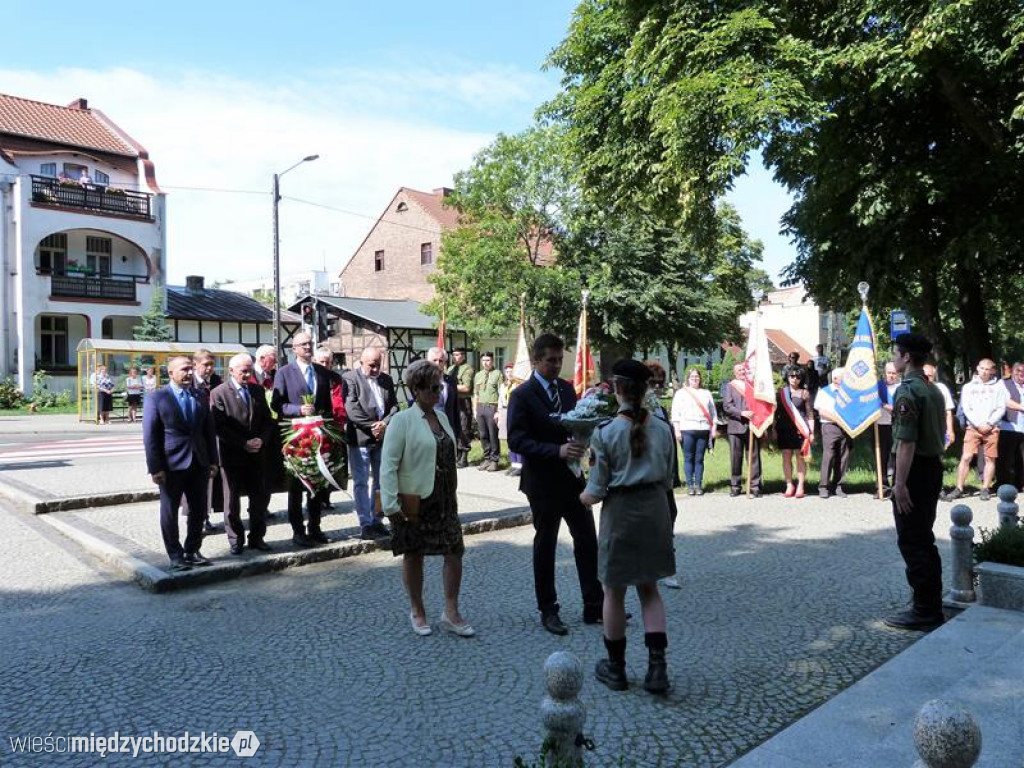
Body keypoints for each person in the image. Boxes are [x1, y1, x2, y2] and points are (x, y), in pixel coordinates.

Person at [580, 359, 675, 694]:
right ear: (646, 389)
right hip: (654, 510)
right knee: (650, 589)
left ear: (616, 389)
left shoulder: (604, 432)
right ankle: (657, 668)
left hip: (620, 513)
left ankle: (616, 668)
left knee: (614, 590)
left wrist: (579, 497)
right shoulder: (663, 429)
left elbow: (595, 490)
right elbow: (668, 478)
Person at [507, 333, 603, 635]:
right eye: (550, 360)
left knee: (587, 540)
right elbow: (517, 439)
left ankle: (595, 605)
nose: (556, 366)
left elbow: (575, 424)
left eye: (559, 360)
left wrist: (584, 443)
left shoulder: (566, 388)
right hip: (542, 482)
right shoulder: (522, 395)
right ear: (536, 360)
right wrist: (556, 451)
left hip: (572, 479)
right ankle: (548, 609)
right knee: (546, 545)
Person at [380, 359, 474, 638]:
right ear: (416, 389)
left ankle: (451, 611)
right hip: (415, 500)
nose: (438, 393)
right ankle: (417, 609)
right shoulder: (401, 421)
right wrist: (390, 505)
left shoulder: (442, 417)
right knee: (414, 555)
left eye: (440, 387)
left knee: (455, 551)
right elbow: (388, 465)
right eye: (433, 388)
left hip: (445, 499)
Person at [886, 333, 947, 631]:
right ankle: (929, 602)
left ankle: (925, 610)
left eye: (896, 353)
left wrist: (899, 484)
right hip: (932, 467)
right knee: (924, 537)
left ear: (907, 357)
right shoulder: (931, 389)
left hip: (915, 471)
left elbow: (906, 442)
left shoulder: (908, 391)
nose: (894, 358)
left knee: (912, 540)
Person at [143, 356, 219, 570]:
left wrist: (213, 461)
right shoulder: (157, 397)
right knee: (169, 511)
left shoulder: (199, 395)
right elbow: (150, 436)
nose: (188, 373)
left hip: (199, 462)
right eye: (184, 369)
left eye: (190, 369)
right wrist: (155, 467)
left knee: (199, 509)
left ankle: (192, 549)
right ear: (171, 373)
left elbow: (208, 431)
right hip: (171, 465)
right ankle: (175, 555)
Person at [272, 332, 336, 547]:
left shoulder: (321, 372)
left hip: (318, 437)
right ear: (294, 349)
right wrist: (298, 409)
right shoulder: (284, 373)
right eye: (303, 345)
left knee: (317, 485)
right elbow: (277, 405)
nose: (308, 347)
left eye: (310, 344)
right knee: (297, 486)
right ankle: (298, 531)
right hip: (296, 438)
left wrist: (327, 430)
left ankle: (315, 527)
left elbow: (327, 405)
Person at [210, 353, 273, 554]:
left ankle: (257, 537)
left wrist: (261, 439)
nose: (247, 375)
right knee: (231, 502)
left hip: (256, 454)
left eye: (250, 371)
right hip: (233, 455)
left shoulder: (257, 389)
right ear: (231, 371)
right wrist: (243, 443)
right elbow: (220, 427)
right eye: (243, 371)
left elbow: (267, 420)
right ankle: (235, 539)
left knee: (259, 499)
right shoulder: (218, 393)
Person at [344, 346, 400, 541]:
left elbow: (394, 406)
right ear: (361, 363)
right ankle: (365, 523)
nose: (376, 370)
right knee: (360, 482)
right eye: (371, 366)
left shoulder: (386, 380)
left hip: (382, 437)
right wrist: (373, 426)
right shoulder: (350, 378)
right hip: (360, 438)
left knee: (381, 481)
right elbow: (351, 409)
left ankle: (377, 519)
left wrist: (384, 424)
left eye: (378, 365)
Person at [944, 359, 1005, 501]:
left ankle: (985, 488)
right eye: (982, 368)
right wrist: (978, 424)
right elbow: (966, 407)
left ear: (992, 370)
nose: (984, 371)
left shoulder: (998, 387)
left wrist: (989, 423)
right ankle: (959, 487)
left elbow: (1001, 407)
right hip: (973, 427)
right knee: (966, 457)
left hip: (992, 427)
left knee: (990, 458)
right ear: (977, 368)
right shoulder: (968, 387)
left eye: (987, 369)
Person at [671, 367, 716, 496]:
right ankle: (690, 485)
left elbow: (713, 414)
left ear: (700, 378)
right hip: (687, 429)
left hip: (703, 429)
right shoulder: (681, 393)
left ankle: (699, 484)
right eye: (692, 377)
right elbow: (675, 413)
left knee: (699, 459)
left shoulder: (706, 393)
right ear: (688, 379)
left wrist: (713, 429)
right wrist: (677, 430)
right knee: (688, 458)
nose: (695, 379)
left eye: (697, 377)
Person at [314, 346, 348, 508]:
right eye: (321, 362)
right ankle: (315, 499)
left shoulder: (337, 379)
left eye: (327, 362)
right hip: (315, 427)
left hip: (334, 426)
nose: (324, 365)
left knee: (331, 463)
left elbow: (341, 402)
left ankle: (326, 498)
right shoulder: (311, 376)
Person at [722, 363, 762, 497]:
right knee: (735, 458)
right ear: (734, 372)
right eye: (739, 370)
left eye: (743, 369)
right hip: (736, 426)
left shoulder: (753, 385)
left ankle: (755, 486)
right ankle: (735, 486)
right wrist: (742, 413)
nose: (742, 371)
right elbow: (727, 406)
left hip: (752, 426)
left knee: (754, 458)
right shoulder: (730, 386)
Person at [775, 365, 814, 498]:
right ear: (787, 377)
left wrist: (811, 432)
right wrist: (774, 429)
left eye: (798, 376)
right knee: (786, 456)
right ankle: (789, 485)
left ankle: (800, 486)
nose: (795, 379)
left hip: (800, 429)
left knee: (800, 458)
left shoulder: (804, 393)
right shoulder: (780, 393)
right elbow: (776, 413)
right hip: (784, 429)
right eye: (792, 376)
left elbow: (809, 414)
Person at [815, 368, 853, 498]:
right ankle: (823, 487)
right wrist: (838, 419)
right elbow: (822, 412)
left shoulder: (848, 393)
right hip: (830, 426)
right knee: (829, 456)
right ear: (835, 379)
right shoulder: (825, 392)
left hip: (846, 427)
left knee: (843, 456)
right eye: (844, 377)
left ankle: (838, 486)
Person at [996, 361, 1024, 491]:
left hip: (1023, 428)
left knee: (1022, 459)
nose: (1021, 373)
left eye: (1023, 371)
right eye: (1018, 371)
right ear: (1013, 372)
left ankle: (1020, 484)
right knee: (1005, 458)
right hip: (1008, 427)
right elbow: (1005, 401)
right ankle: (1003, 484)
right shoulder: (1003, 384)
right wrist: (1021, 407)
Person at [875, 361, 902, 498]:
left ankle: (896, 486)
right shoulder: (877, 386)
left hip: (896, 426)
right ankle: (882, 486)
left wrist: (883, 405)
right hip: (879, 424)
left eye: (894, 373)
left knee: (896, 456)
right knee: (881, 457)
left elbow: (898, 409)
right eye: (889, 373)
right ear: (884, 373)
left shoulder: (902, 388)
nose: (891, 376)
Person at [473, 351, 503, 471]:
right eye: (483, 360)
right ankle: (487, 459)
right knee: (483, 434)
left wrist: (499, 411)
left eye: (488, 360)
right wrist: (475, 410)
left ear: (492, 361)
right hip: (480, 407)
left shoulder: (498, 374)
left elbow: (501, 393)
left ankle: (495, 460)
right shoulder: (478, 375)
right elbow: (476, 394)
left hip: (492, 407)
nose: (485, 363)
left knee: (492, 434)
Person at [425, 347, 462, 443]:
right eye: (434, 360)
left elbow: (455, 409)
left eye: (441, 361)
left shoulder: (451, 381)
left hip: (448, 431)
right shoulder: (421, 381)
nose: (437, 363)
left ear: (445, 363)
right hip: (428, 432)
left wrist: (458, 433)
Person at [447, 349, 475, 467]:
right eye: (453, 355)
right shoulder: (450, 369)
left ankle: (464, 456)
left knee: (464, 428)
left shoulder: (467, 369)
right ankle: (457, 454)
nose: (455, 357)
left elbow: (466, 387)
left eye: (458, 355)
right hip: (452, 400)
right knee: (454, 427)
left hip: (463, 401)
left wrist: (450, 385)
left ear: (463, 356)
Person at [497, 362, 523, 477]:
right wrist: (498, 413)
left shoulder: (519, 385)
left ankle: (521, 464)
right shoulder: (503, 385)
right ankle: (514, 463)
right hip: (505, 411)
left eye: (511, 371)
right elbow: (500, 400)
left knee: (517, 437)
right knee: (509, 439)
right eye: (507, 372)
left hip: (516, 412)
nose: (509, 374)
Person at [922, 364, 956, 450]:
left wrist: (950, 431)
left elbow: (948, 411)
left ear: (934, 376)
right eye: (925, 376)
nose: (927, 378)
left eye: (930, 376)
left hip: (939, 429)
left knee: (938, 455)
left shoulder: (942, 388)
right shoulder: (915, 389)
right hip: (921, 430)